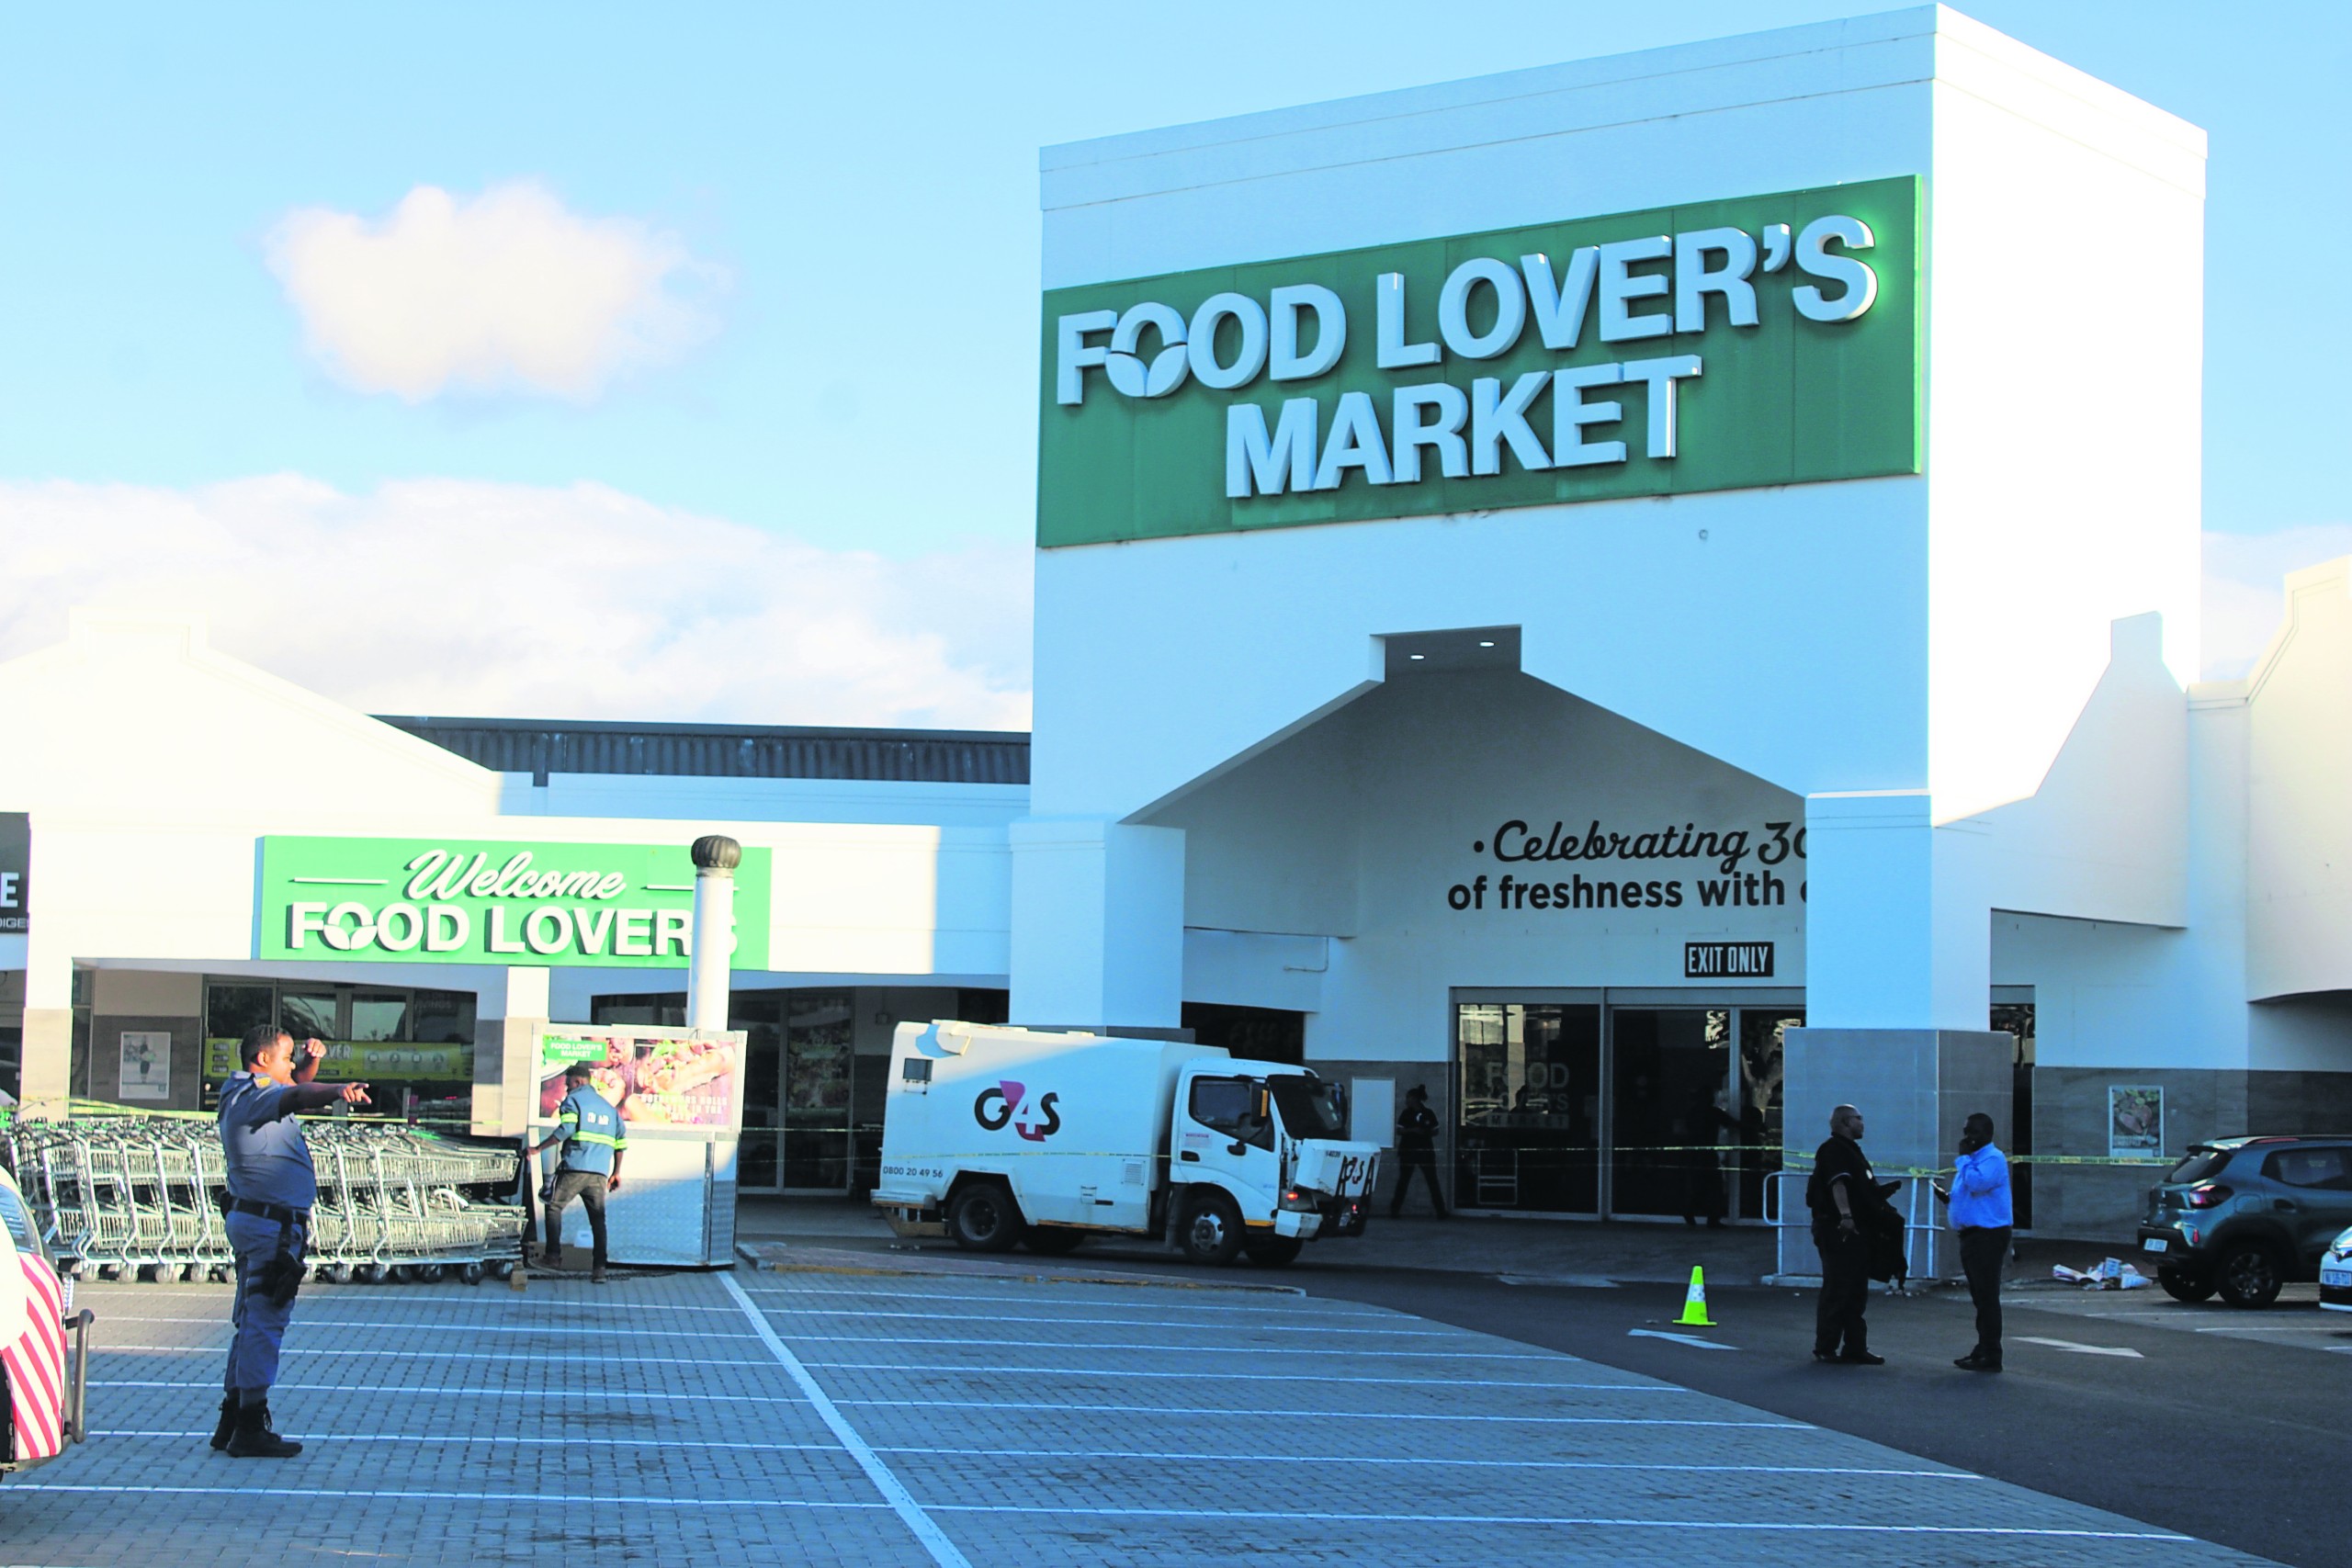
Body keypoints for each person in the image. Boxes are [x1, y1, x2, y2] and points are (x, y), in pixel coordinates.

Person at [212, 1025, 371, 1458]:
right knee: (265, 1322)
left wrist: (311, 1064)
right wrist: (338, 1090)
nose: (292, 1066)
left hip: (258, 1220)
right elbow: (298, 1095)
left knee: (250, 1320)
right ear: (262, 1061)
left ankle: (232, 1417)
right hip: (271, 1229)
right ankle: (250, 1424)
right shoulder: (256, 1097)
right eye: (286, 1058)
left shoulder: (244, 1092)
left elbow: (295, 1085)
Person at [532, 1062, 627, 1281]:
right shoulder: (609, 1109)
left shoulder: (573, 1101)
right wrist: (616, 1172)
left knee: (554, 1206)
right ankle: (599, 1269)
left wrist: (537, 1149)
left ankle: (553, 1256)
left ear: (578, 1082)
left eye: (568, 1084)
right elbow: (621, 1142)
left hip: (575, 1168)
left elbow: (565, 1130)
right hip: (599, 1173)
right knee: (598, 1220)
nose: (566, 1089)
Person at [1807, 1103, 1886, 1365]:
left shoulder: (1852, 1151)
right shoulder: (1834, 1150)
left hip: (1857, 1229)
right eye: (1858, 1118)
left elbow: (1857, 1187)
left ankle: (1855, 1346)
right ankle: (1826, 1346)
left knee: (1855, 1288)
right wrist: (1846, 1216)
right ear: (1844, 1122)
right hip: (1838, 1227)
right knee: (1838, 1286)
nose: (1862, 1123)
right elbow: (1838, 1183)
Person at [1935, 1111, 2013, 1372]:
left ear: (1988, 1134)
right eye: (1966, 1131)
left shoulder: (1992, 1158)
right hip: (1972, 1236)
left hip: (1988, 1237)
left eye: (1974, 1132)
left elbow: (1978, 1184)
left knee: (1987, 1296)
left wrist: (1963, 1158)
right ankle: (1983, 1348)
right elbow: (1968, 1193)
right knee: (1980, 1297)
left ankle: (1992, 1354)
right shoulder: (1972, 1161)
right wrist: (1949, 1199)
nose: (1968, 1137)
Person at [1389, 1085, 1447, 1218]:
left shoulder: (1428, 1113)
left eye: (1409, 1097)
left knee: (1432, 1181)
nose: (1407, 1100)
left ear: (1415, 1099)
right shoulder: (1406, 1113)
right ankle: (1394, 1210)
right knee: (1403, 1181)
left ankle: (1441, 1211)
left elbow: (1436, 1130)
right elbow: (1399, 1130)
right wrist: (1412, 1130)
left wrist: (1426, 1132)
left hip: (1425, 1151)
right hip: (1408, 1151)